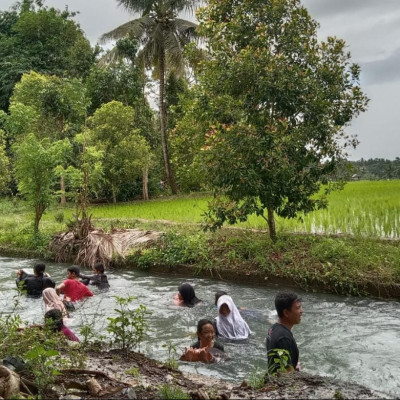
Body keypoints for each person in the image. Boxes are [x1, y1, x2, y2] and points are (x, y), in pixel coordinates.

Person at [266, 291, 303, 373]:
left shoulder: (273, 329)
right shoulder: (283, 337)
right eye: (297, 308)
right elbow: (287, 373)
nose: (301, 311)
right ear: (286, 313)